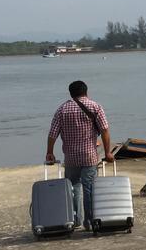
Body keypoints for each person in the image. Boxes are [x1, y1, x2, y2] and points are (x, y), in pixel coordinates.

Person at [46, 80, 112, 230]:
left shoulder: (62, 110)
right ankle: (89, 222)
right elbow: (104, 131)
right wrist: (107, 152)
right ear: (86, 92)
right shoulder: (96, 107)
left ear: (70, 93)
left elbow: (52, 134)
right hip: (89, 156)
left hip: (71, 157)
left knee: (73, 187)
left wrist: (49, 152)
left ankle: (75, 219)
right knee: (89, 188)